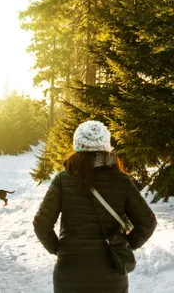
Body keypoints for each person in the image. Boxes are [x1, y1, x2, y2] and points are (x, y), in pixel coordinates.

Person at [33, 120, 157, 293]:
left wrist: (59, 249)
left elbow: (41, 223)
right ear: (106, 147)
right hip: (111, 275)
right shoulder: (121, 181)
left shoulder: (62, 180)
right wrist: (125, 245)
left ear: (78, 146)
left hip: (70, 274)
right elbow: (148, 222)